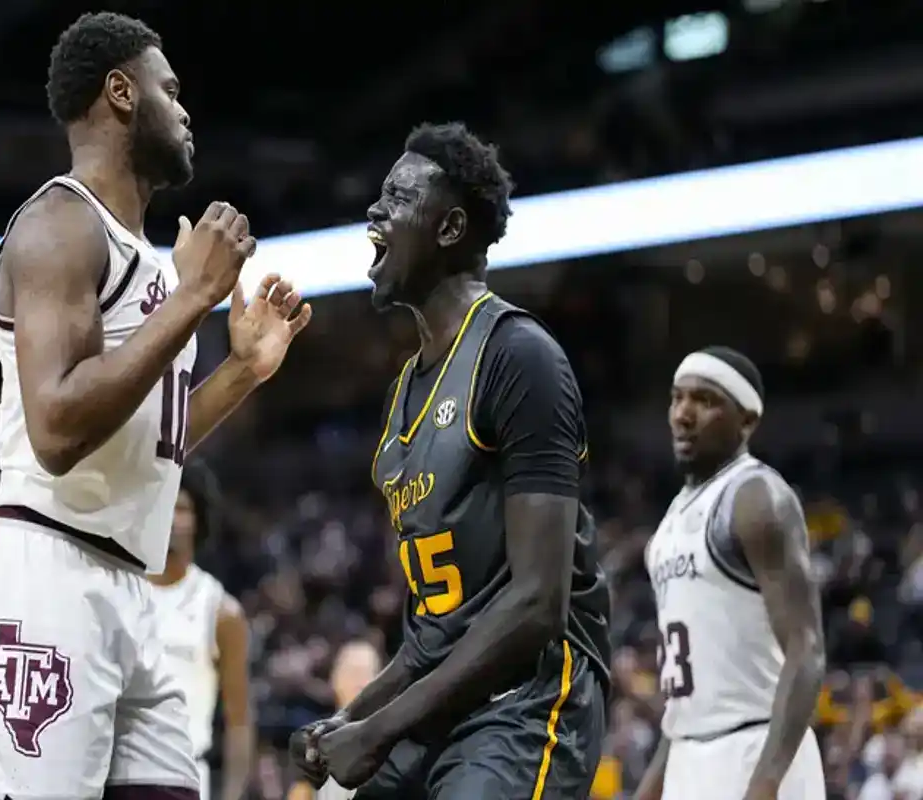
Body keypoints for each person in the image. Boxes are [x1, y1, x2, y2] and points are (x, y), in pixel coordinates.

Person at [0, 12, 311, 799]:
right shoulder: (59, 224)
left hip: (128, 585)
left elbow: (154, 437)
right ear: (121, 91)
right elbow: (55, 429)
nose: (185, 110)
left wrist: (243, 371)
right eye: (170, 89)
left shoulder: (148, 261)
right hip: (44, 573)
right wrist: (190, 300)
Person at [290, 122, 612, 799]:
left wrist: (376, 733)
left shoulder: (519, 357)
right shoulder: (405, 392)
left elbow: (536, 605)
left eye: (397, 198)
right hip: (442, 707)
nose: (375, 213)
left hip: (524, 704)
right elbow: (430, 638)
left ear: (449, 227)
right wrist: (348, 718)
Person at [635, 347, 827, 800]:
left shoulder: (757, 499)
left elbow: (807, 650)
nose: (683, 414)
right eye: (676, 397)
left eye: (704, 400)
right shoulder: (669, 524)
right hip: (689, 755)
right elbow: (688, 700)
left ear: (747, 421)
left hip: (756, 747)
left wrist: (765, 782)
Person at [149, 466, 253, 800]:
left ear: (199, 520)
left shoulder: (221, 610)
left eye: (180, 509)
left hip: (185, 777)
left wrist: (233, 796)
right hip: (119, 773)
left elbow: (239, 721)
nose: (171, 519)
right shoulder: (121, 592)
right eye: (163, 506)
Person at [287, 640, 383, 800]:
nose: (360, 681)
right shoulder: (312, 739)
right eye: (353, 672)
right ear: (335, 679)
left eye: (367, 673)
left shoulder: (395, 740)